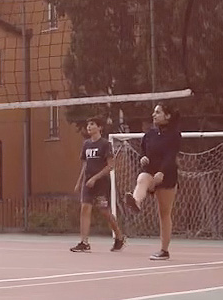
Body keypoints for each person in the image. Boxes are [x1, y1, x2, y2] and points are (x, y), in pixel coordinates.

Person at [125, 104, 181, 261]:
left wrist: (162, 172)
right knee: (142, 178)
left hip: (167, 176)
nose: (154, 115)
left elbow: (171, 156)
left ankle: (164, 251)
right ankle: (135, 201)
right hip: (150, 172)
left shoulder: (174, 135)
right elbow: (144, 148)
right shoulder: (150, 134)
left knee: (164, 213)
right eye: (154, 112)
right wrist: (143, 157)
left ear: (167, 116)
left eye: (158, 112)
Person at [70, 118, 124, 254]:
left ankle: (119, 236)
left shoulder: (105, 144)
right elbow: (85, 165)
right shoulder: (86, 144)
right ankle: (84, 242)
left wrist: (95, 178)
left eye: (92, 124)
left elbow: (110, 166)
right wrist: (79, 181)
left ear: (99, 127)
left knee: (104, 212)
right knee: (84, 209)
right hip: (88, 183)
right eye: (88, 124)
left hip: (101, 183)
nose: (89, 126)